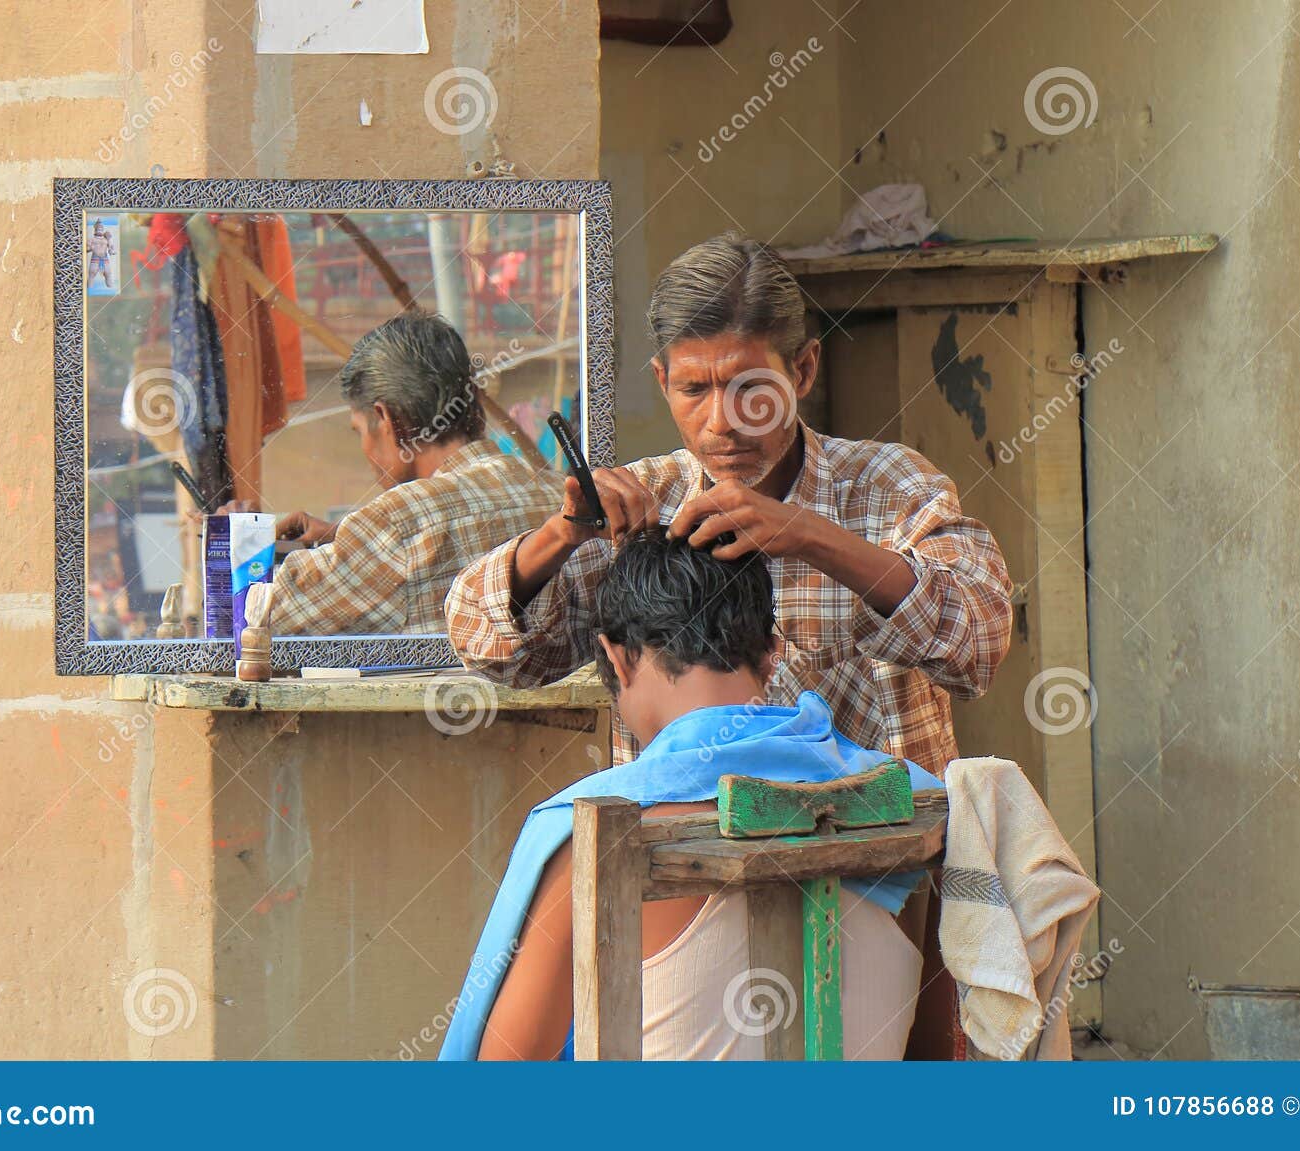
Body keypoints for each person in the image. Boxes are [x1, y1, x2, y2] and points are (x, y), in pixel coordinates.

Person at [446, 233, 1013, 774]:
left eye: (750, 388)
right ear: (664, 380)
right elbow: (487, 647)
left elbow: (980, 645)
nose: (721, 424)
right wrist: (561, 535)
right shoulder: (640, 510)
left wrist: (811, 535)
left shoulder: (890, 486)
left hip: (882, 860)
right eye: (694, 390)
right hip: (685, 856)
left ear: (804, 370)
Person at [438, 531, 941, 1060]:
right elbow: (933, 1050)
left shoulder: (593, 830)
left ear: (617, 657)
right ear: (773, 652)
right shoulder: (909, 802)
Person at [222, 312, 560, 634]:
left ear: (388, 421)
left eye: (359, 430)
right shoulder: (561, 497)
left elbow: (251, 618)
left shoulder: (397, 524)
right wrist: (349, 537)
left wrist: (235, 544)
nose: (365, 450)